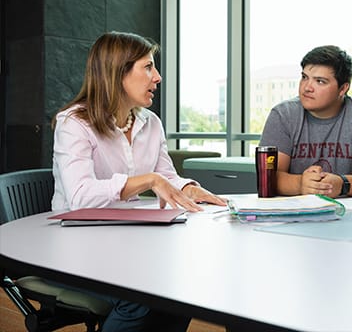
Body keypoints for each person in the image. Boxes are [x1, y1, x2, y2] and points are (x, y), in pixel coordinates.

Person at [51, 31, 227, 331]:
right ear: (118, 73)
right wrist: (149, 180)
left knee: (183, 287)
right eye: (148, 67)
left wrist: (187, 188)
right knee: (137, 297)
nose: (157, 77)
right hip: (75, 249)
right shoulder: (73, 123)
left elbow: (166, 175)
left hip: (126, 243)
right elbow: (80, 196)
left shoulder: (150, 122)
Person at [259, 45, 352, 198]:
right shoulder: (283, 114)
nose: (307, 87)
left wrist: (342, 184)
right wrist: (301, 184)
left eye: (320, 81)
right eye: (304, 77)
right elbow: (269, 177)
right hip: (296, 213)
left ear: (343, 89)